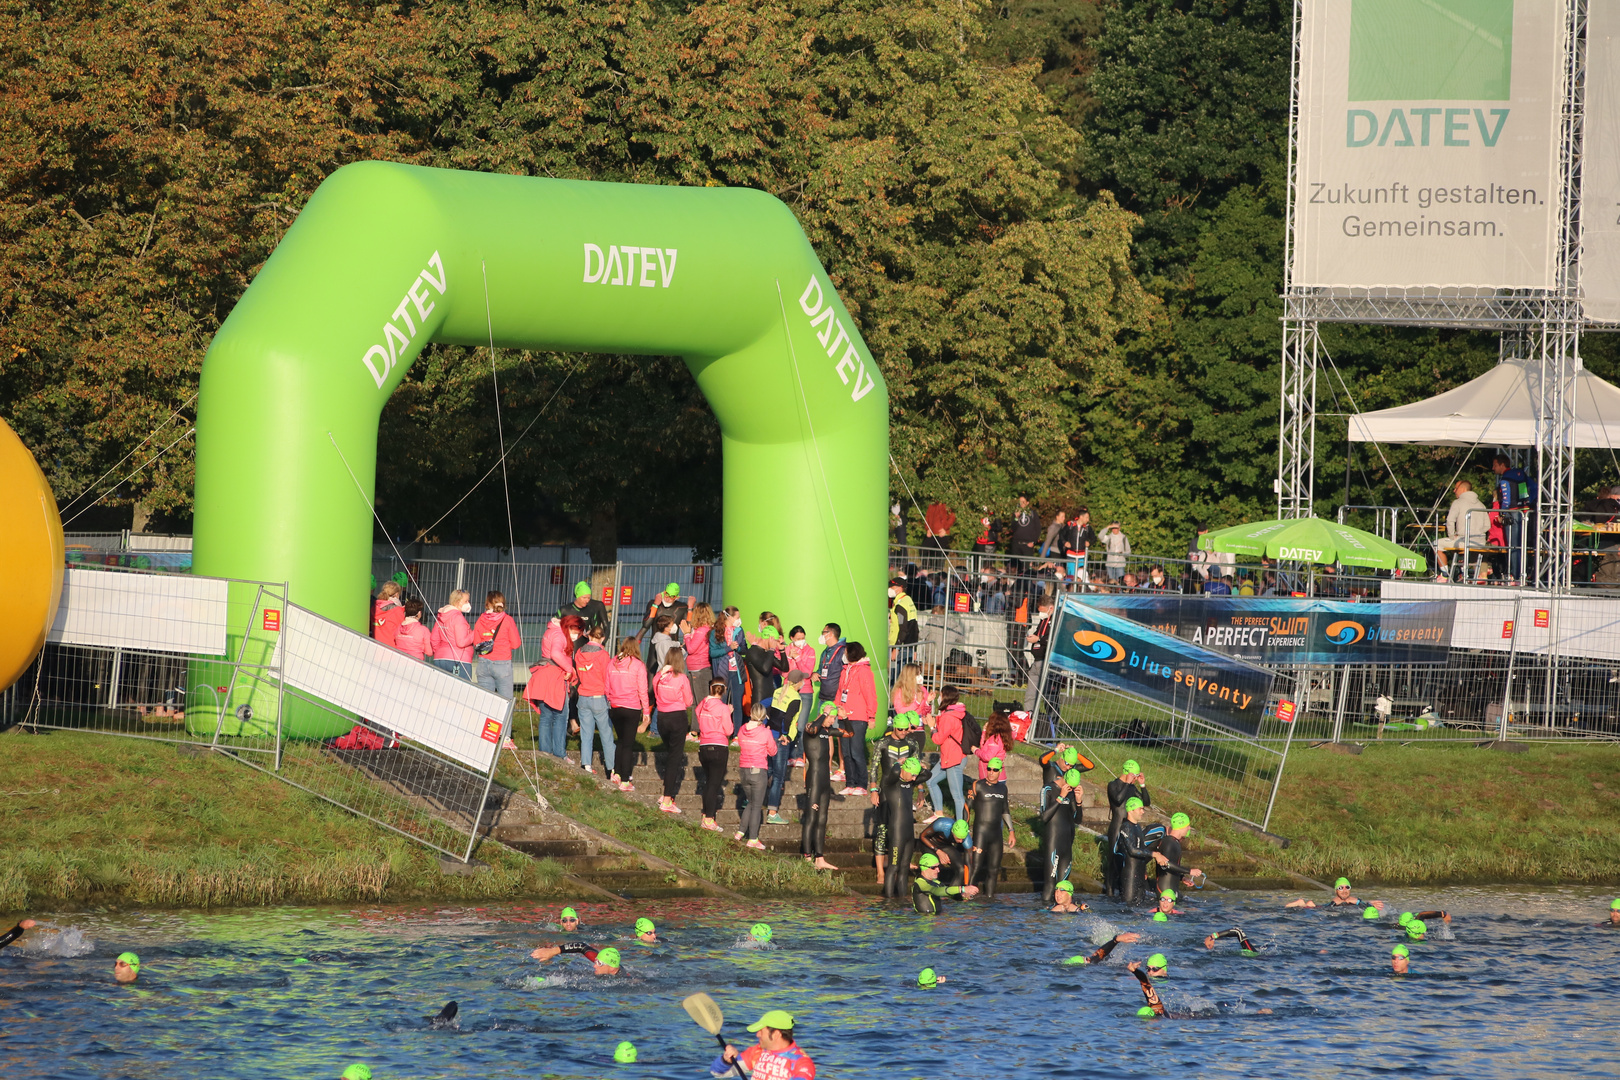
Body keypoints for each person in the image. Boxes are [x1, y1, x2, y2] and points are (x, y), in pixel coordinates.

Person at [524, 612, 582, 762]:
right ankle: (559, 753)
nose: (576, 636)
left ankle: (544, 753)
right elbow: (556, 653)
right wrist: (569, 669)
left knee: (546, 716)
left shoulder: (551, 630)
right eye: (575, 632)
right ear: (570, 627)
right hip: (555, 677)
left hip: (543, 675)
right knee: (561, 716)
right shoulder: (560, 635)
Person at [711, 1009, 815, 1079]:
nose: (757, 1035)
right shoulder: (757, 1051)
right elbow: (717, 1073)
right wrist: (726, 1060)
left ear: (776, 1034)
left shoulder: (801, 1062)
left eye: (761, 1031)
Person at [878, 756, 929, 897]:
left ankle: (901, 900)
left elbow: (927, 774)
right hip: (897, 833)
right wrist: (898, 762)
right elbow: (894, 770)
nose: (914, 779)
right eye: (912, 775)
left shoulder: (910, 782)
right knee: (893, 867)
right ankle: (888, 901)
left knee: (904, 868)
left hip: (908, 833)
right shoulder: (891, 783)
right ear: (904, 770)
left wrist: (920, 766)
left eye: (915, 776)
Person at [606, 636, 651, 792]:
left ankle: (616, 773)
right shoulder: (638, 665)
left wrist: (610, 700)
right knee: (628, 744)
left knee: (620, 741)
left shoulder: (612, 663)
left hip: (615, 706)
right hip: (631, 707)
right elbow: (642, 690)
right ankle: (625, 779)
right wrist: (646, 710)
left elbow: (606, 686)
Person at [652, 649, 694, 813]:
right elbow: (689, 700)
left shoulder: (658, 677)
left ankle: (666, 793)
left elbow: (655, 694)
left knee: (671, 755)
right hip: (677, 717)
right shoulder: (682, 678)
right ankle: (667, 799)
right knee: (675, 758)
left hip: (662, 717)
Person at [968, 756, 1016, 897]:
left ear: (1000, 772)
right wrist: (964, 826)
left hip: (996, 835)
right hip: (981, 833)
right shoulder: (978, 785)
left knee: (993, 870)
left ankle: (990, 901)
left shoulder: (1003, 788)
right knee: (976, 868)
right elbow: (967, 807)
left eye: (994, 770)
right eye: (988, 769)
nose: (990, 772)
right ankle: (968, 898)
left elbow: (1005, 810)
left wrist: (1011, 831)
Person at [800, 703, 839, 870]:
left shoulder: (827, 731)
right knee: (811, 818)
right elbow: (813, 729)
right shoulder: (810, 727)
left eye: (834, 718)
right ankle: (807, 856)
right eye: (831, 717)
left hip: (825, 780)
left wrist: (845, 719)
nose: (832, 721)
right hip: (814, 779)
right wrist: (823, 714)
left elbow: (849, 733)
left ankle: (820, 858)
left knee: (822, 819)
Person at [835, 640, 876, 796]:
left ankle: (861, 784)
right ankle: (850, 783)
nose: (844, 655)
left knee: (856, 751)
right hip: (843, 715)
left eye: (846, 652)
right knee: (845, 751)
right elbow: (839, 692)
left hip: (858, 717)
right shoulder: (845, 670)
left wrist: (871, 716)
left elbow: (870, 694)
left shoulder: (864, 671)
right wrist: (836, 708)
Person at [763, 672, 805, 824]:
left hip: (769, 734)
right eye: (803, 680)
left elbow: (764, 705)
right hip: (781, 739)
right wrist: (785, 735)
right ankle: (772, 813)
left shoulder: (778, 691)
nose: (804, 682)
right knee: (778, 777)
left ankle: (751, 801)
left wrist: (763, 723)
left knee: (767, 770)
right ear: (798, 682)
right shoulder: (795, 697)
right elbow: (787, 719)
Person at [573, 623, 615, 776]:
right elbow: (607, 677)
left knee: (586, 734)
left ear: (588, 636)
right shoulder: (603, 655)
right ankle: (611, 768)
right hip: (599, 696)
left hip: (583, 696)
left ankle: (586, 765)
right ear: (602, 638)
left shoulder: (579, 653)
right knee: (606, 734)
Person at [1104, 761, 1150, 898]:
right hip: (1117, 828)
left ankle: (1123, 892)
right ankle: (1110, 894)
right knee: (1114, 861)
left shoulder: (1132, 788)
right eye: (1134, 776)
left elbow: (1146, 802)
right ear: (1127, 772)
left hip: (1129, 829)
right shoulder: (1113, 785)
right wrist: (1126, 783)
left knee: (1127, 861)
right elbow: (1118, 800)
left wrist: (1142, 785)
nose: (1135, 779)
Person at [736, 703, 778, 849]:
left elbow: (740, 742)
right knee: (756, 806)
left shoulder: (742, 729)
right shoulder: (765, 732)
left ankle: (740, 832)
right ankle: (753, 838)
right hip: (758, 770)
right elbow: (773, 751)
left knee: (751, 802)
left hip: (744, 769)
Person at [1038, 767, 1083, 904]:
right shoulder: (1048, 789)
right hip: (1053, 842)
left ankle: (1061, 920)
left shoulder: (1071, 792)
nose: (1070, 789)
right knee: (1050, 884)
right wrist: (1060, 797)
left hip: (1067, 844)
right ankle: (1045, 915)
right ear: (1064, 780)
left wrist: (1079, 801)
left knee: (1063, 886)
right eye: (1069, 786)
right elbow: (1044, 817)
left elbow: (1077, 819)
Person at [925, 685, 968, 823]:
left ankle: (961, 824)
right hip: (948, 758)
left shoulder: (949, 716)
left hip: (954, 759)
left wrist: (932, 728)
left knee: (957, 795)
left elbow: (938, 738)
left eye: (941, 695)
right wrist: (933, 722)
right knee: (931, 781)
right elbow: (946, 728)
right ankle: (938, 814)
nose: (939, 697)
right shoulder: (952, 713)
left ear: (945, 697)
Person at [696, 678, 732, 833]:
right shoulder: (723, 708)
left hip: (704, 745)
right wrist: (729, 713)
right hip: (719, 746)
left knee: (709, 781)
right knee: (714, 784)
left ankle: (706, 814)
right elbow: (729, 730)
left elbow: (698, 715)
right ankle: (709, 818)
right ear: (723, 691)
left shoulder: (703, 704)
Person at [1493, 454, 1537, 582]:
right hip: (1524, 511)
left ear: (1502, 465)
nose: (1493, 468)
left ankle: (1515, 575)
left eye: (1495, 465)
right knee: (1521, 544)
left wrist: (1502, 513)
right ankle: (1525, 572)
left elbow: (1506, 499)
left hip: (1511, 513)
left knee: (1513, 545)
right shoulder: (1520, 475)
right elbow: (1533, 488)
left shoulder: (1505, 478)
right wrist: (1528, 503)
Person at [473, 590, 523, 700]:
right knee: (505, 701)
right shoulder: (507, 620)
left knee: (485, 701)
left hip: (483, 662)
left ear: (487, 604)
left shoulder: (480, 620)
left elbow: (476, 642)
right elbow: (516, 644)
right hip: (502, 663)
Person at [1435, 480, 1488, 579]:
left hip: (1464, 541)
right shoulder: (1481, 504)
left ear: (1463, 489)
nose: (1454, 491)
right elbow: (1487, 525)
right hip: (1480, 542)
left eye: (1456, 488)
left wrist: (1452, 536)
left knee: (1436, 544)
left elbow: (1450, 521)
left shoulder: (1457, 502)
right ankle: (1464, 571)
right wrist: (1477, 532)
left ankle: (1445, 574)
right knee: (1456, 546)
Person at [1113, 797, 1157, 905]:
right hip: (1130, 874)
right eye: (1140, 809)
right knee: (1128, 907)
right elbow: (1132, 850)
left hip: (1139, 872)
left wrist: (1144, 870)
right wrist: (1154, 854)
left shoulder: (1137, 826)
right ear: (1131, 810)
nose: (1142, 812)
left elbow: (1141, 849)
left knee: (1139, 907)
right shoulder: (1126, 827)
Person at [711, 607, 747, 735]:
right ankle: (720, 732)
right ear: (729, 617)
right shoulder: (716, 631)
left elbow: (744, 649)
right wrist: (728, 648)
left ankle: (737, 734)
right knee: (722, 702)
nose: (739, 620)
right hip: (722, 671)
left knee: (737, 703)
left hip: (737, 672)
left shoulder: (739, 630)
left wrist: (738, 648)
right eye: (737, 617)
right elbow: (713, 652)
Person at [1152, 812, 1202, 897]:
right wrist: (1190, 871)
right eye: (1187, 826)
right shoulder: (1168, 843)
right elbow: (1165, 865)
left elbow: (1172, 866)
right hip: (1165, 892)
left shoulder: (1174, 842)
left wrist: (1182, 877)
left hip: (1172, 890)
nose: (1189, 828)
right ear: (1181, 827)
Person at [430, 589, 475, 680]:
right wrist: (475, 633)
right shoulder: (458, 617)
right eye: (466, 601)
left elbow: (434, 638)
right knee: (461, 690)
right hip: (459, 659)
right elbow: (461, 642)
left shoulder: (441, 617)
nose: (468, 603)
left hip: (440, 658)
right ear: (458, 602)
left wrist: (440, 651)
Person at [912, 851, 978, 912]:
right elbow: (937, 891)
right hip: (923, 921)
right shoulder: (920, 883)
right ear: (924, 868)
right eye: (933, 867)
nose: (938, 870)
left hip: (935, 919)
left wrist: (964, 896)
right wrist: (963, 888)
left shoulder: (936, 882)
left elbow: (949, 893)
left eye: (938, 867)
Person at [919, 817, 972, 888]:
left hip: (945, 846)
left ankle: (951, 894)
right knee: (934, 867)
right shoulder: (942, 824)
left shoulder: (967, 841)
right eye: (958, 838)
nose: (961, 841)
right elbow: (922, 836)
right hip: (929, 843)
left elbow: (969, 864)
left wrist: (967, 887)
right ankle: (933, 893)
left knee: (961, 869)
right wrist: (937, 851)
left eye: (963, 839)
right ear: (953, 832)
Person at [686, 603, 716, 706]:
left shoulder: (702, 630)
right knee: (697, 703)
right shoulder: (706, 629)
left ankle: (699, 723)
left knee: (700, 703)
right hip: (697, 668)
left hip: (699, 668)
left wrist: (686, 635)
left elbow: (691, 649)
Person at [530, 942, 621, 975]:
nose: (594, 966)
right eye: (596, 961)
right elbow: (581, 946)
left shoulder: (626, 980)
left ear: (612, 968)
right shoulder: (608, 963)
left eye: (599, 963)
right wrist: (552, 951)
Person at [1061, 932, 1141, 966]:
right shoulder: (1092, 966)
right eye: (1086, 959)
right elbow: (1098, 956)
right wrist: (1116, 940)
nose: (1089, 957)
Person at [975, 709, 1012, 782]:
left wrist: (975, 750)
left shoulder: (996, 739)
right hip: (991, 777)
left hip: (993, 779)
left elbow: (987, 756)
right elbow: (984, 748)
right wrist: (984, 732)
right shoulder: (998, 737)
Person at [1287, 877, 1366, 908]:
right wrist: (1334, 903)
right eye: (1340, 888)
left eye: (1347, 887)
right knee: (1312, 908)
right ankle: (1301, 903)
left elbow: (1365, 905)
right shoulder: (1335, 902)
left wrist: (1358, 901)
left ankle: (1305, 904)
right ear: (1336, 891)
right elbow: (1328, 909)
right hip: (1325, 908)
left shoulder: (1355, 900)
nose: (1344, 890)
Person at [371, 579, 404, 647]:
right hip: (392, 648)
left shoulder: (374, 609)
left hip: (376, 646)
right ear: (397, 595)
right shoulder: (397, 611)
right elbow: (403, 629)